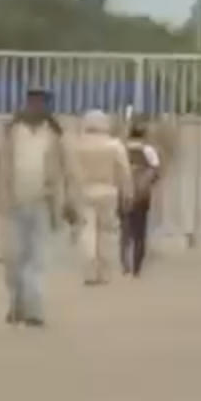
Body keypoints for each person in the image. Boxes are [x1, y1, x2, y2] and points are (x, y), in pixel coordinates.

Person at [0, 87, 78, 327]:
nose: (35, 107)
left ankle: (35, 310)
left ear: (47, 107)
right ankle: (17, 305)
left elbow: (71, 174)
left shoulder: (56, 136)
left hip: (42, 205)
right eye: (31, 102)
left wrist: (71, 204)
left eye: (40, 103)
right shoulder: (11, 133)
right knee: (13, 259)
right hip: (12, 205)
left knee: (38, 259)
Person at [70, 110, 135, 285]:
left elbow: (70, 171)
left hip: (84, 192)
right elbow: (125, 171)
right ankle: (104, 272)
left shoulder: (77, 145)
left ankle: (90, 270)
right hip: (108, 191)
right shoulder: (114, 145)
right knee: (107, 233)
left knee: (86, 230)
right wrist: (128, 193)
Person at [120, 116, 162, 278]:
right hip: (142, 195)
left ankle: (125, 266)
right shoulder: (148, 150)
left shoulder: (122, 148)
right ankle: (136, 267)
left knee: (125, 231)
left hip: (124, 193)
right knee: (139, 233)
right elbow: (156, 171)